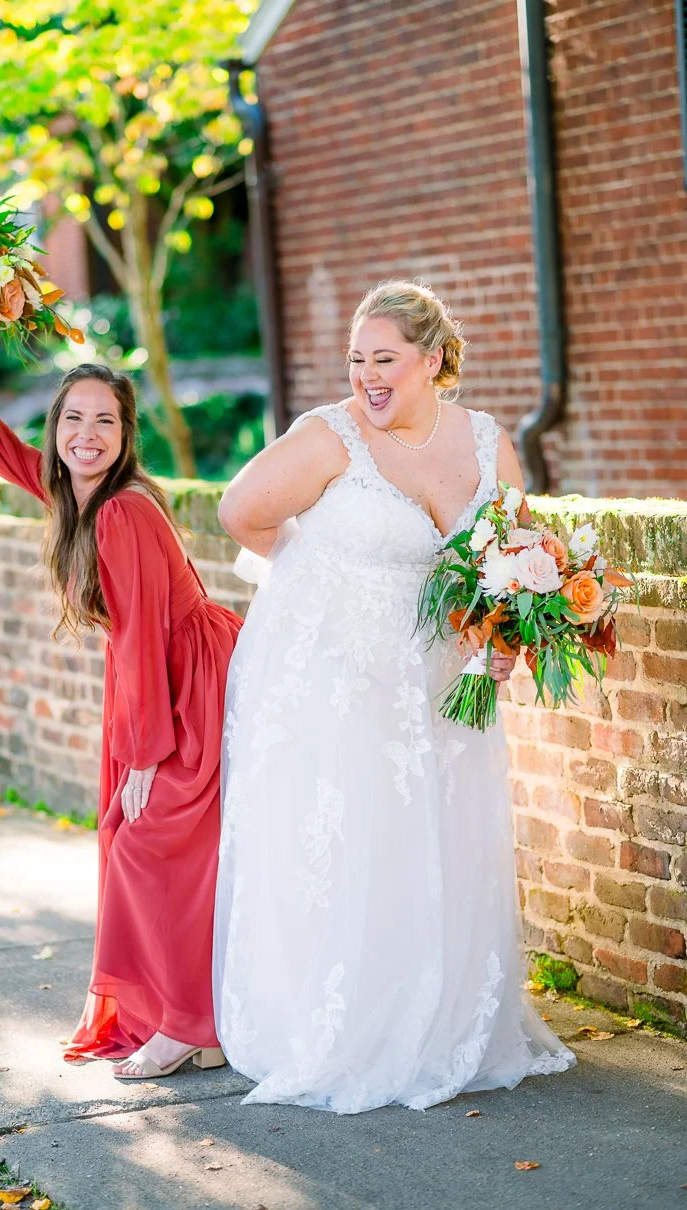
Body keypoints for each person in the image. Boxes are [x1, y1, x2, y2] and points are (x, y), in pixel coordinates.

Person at [214, 280, 575, 1114]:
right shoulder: (328, 437)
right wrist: (323, 585)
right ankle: (340, 1025)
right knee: (348, 838)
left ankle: (442, 1019)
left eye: (384, 359)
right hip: (333, 677)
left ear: (433, 360)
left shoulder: (487, 443)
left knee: (439, 838)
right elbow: (242, 514)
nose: (366, 376)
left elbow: (518, 558)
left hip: (447, 680)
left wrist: (499, 652)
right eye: (356, 359)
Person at [0, 312, 242, 1081]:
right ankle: (194, 1022)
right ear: (57, 429)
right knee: (147, 848)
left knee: (151, 848)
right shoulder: (74, 493)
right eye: (74, 419)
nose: (88, 434)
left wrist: (148, 755)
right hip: (161, 680)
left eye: (106, 422)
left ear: (126, 437)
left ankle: (184, 1023)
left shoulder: (121, 509)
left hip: (187, 687)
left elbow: (143, 639)